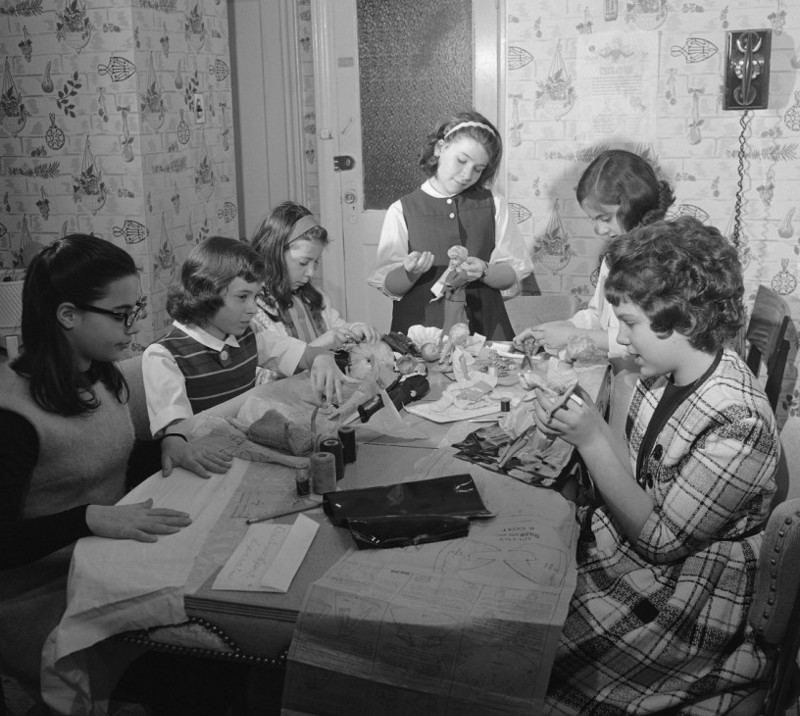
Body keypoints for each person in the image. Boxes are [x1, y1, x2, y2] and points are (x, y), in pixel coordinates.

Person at [531, 217, 779, 714]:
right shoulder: (663, 372)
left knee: (534, 648)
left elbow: (662, 544)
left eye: (630, 324)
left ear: (682, 319)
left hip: (692, 588)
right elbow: (639, 475)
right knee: (531, 585)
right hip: (648, 550)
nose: (620, 341)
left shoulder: (739, 420)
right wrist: (590, 426)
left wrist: (591, 443)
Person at [0, 234, 231, 696]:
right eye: (121, 315)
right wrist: (87, 518)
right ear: (68, 315)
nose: (133, 327)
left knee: (220, 605)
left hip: (104, 562)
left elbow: (101, 459)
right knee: (199, 662)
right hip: (39, 591)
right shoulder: (13, 416)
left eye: (136, 310)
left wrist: (170, 445)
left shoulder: (100, 375)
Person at [143, 236, 352, 437]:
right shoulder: (163, 356)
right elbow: (177, 434)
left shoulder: (250, 338)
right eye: (242, 297)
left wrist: (321, 357)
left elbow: (306, 354)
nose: (253, 309)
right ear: (206, 293)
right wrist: (253, 397)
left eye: (256, 296)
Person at [368, 109, 533, 340]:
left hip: (483, 327)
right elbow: (390, 286)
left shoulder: (494, 204)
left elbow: (512, 273)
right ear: (440, 148)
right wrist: (409, 273)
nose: (467, 174)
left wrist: (486, 271)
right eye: (462, 160)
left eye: (479, 169)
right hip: (423, 329)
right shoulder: (402, 210)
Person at [514, 149, 675, 358]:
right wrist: (555, 330)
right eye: (593, 219)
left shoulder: (663, 260)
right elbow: (597, 315)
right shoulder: (613, 256)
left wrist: (572, 334)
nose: (599, 230)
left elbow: (649, 340)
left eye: (605, 218)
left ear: (635, 206)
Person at [250, 200, 381, 384]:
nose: (311, 272)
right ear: (275, 255)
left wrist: (352, 330)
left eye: (316, 262)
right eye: (304, 263)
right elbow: (260, 381)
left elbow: (336, 326)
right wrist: (317, 348)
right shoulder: (253, 310)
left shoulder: (312, 296)